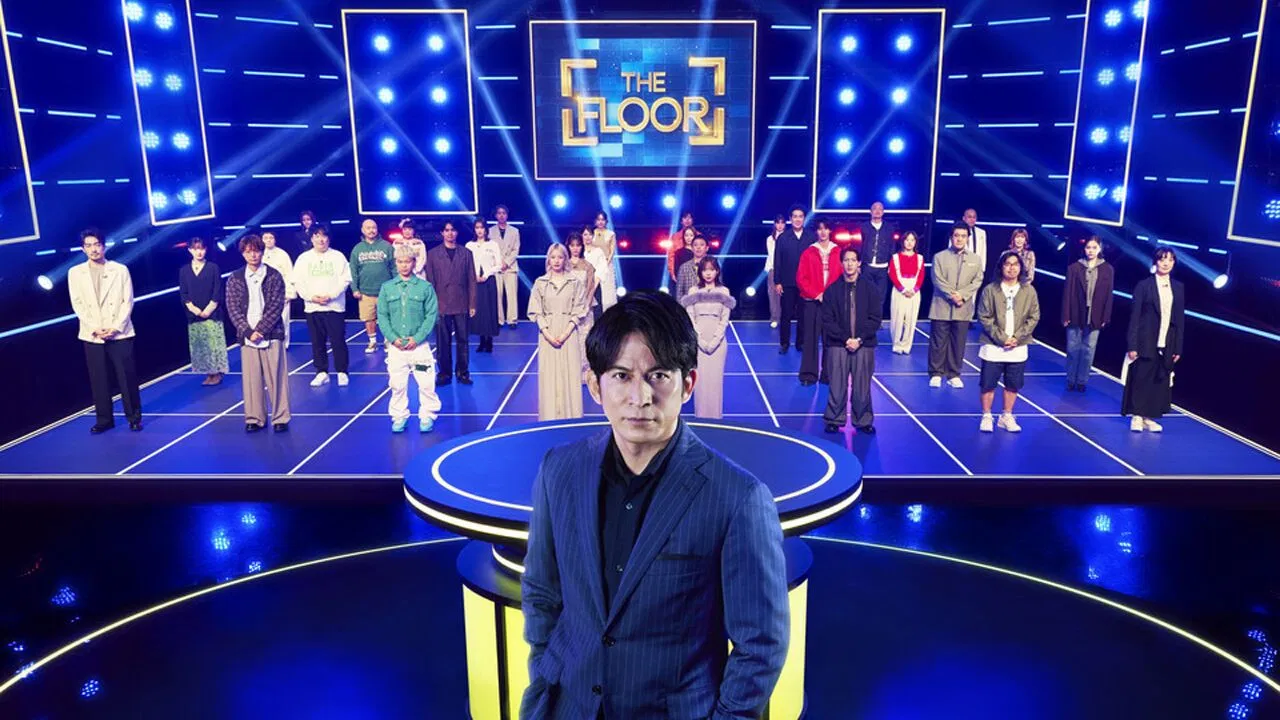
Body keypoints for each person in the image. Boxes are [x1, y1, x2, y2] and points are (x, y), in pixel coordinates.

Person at [521, 289, 789, 718]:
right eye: (621, 375)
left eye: (658, 375)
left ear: (688, 384)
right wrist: (543, 676)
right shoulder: (559, 470)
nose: (640, 396)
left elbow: (761, 645)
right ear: (594, 385)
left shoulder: (739, 499)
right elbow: (542, 592)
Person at [68, 228, 142, 433]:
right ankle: (104, 419)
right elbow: (77, 303)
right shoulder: (75, 273)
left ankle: (134, 417)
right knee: (99, 379)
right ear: (83, 249)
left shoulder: (120, 269)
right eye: (89, 245)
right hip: (92, 334)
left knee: (126, 377)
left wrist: (116, 327)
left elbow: (128, 301)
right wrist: (95, 328)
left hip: (120, 332)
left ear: (104, 246)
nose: (93, 249)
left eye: (97, 244)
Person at [225, 234, 291, 433]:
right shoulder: (235, 278)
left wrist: (261, 330)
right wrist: (247, 331)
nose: (253, 255)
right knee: (251, 379)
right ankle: (254, 418)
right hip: (247, 337)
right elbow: (232, 307)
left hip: (271, 333)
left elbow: (276, 306)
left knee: (277, 377)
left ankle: (280, 417)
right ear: (243, 254)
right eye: (248, 252)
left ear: (262, 252)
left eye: (256, 251)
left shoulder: (274, 275)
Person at [377, 248, 442, 433]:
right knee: (397, 385)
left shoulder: (425, 287)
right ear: (396, 263)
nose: (404, 265)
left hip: (419, 349)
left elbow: (431, 315)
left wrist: (418, 338)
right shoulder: (387, 288)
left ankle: (428, 415)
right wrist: (393, 339)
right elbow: (382, 316)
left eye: (407, 261)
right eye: (400, 262)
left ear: (414, 263)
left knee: (426, 383)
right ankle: (399, 417)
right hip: (396, 349)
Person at [976, 251, 1041, 433]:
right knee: (988, 384)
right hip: (993, 347)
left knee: (1013, 384)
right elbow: (984, 316)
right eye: (1008, 264)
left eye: (1016, 264)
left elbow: (1034, 316)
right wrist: (1002, 338)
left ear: (1021, 268)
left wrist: (1017, 337)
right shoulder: (990, 290)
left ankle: (1006, 416)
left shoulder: (1029, 291)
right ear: (1001, 267)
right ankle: (986, 416)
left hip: (1018, 348)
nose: (1012, 268)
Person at [1123, 248, 1185, 433]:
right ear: (1155, 262)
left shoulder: (1178, 287)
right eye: (1162, 259)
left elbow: (1179, 319)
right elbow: (1135, 317)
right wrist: (1132, 344)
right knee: (1141, 378)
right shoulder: (1144, 285)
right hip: (1146, 340)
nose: (1166, 263)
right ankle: (1137, 415)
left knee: (1159, 381)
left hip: (1167, 341)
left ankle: (1149, 417)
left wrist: (1178, 347)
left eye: (1170, 260)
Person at [822, 247, 881, 435]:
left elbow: (875, 318)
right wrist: (845, 339)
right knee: (837, 385)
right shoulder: (832, 290)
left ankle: (863, 420)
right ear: (842, 263)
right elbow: (827, 320)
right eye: (846, 260)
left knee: (862, 386)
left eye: (853, 260)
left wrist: (859, 339)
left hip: (864, 345)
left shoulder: (870, 289)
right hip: (838, 345)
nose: (849, 264)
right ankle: (834, 419)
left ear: (859, 263)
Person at [526, 243, 587, 420]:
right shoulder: (540, 283)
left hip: (569, 334)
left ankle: (572, 419)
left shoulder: (574, 282)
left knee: (570, 376)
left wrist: (565, 333)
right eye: (553, 257)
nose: (556, 261)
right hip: (548, 335)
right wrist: (548, 335)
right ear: (548, 260)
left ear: (565, 259)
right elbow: (536, 311)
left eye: (560, 257)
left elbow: (579, 310)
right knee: (549, 378)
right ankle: (549, 419)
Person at [292, 225, 351, 387]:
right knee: (317, 342)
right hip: (312, 308)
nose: (321, 239)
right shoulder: (303, 259)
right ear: (312, 239)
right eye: (317, 236)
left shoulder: (338, 256)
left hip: (335, 307)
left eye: (324, 236)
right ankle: (321, 372)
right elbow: (298, 282)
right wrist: (311, 297)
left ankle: (342, 372)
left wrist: (331, 295)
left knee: (338, 340)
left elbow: (345, 280)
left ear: (328, 238)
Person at [928, 223, 984, 389]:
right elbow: (937, 279)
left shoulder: (975, 259)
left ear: (967, 238)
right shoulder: (939, 257)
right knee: (938, 343)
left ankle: (954, 374)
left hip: (963, 308)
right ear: (951, 237)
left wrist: (962, 296)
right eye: (956, 235)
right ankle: (936, 373)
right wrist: (952, 295)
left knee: (958, 343)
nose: (959, 239)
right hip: (941, 306)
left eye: (963, 236)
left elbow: (977, 280)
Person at [681, 256, 735, 418]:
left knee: (715, 383)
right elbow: (691, 319)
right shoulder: (693, 291)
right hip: (698, 344)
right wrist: (701, 341)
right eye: (705, 270)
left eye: (711, 269)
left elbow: (724, 320)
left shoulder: (724, 292)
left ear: (717, 271)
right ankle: (701, 419)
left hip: (718, 344)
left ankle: (716, 419)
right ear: (700, 272)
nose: (708, 273)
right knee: (701, 383)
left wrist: (714, 341)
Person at [424, 220, 477, 386]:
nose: (450, 233)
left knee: (463, 341)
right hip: (441, 304)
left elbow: (471, 280)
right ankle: (444, 373)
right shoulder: (432, 254)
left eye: (453, 230)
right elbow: (430, 282)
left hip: (461, 303)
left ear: (457, 232)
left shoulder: (466, 253)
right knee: (442, 342)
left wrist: (472, 304)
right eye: (446, 230)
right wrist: (431, 306)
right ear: (442, 233)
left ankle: (463, 372)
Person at [1062, 236, 1114, 392]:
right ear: (1084, 249)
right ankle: (1071, 379)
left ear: (1100, 249)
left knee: (1088, 350)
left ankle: (1082, 380)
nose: (1091, 251)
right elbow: (1067, 293)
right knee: (1073, 349)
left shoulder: (1107, 269)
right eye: (1088, 247)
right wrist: (1066, 315)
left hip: (1095, 315)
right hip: (1076, 312)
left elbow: (1108, 295)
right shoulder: (1074, 268)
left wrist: (1106, 316)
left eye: (1094, 248)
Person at [795, 217, 842, 385]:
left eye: (826, 228)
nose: (823, 232)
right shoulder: (808, 252)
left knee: (831, 339)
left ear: (830, 231)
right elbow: (801, 278)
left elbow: (842, 276)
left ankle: (828, 374)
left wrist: (830, 296)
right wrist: (816, 294)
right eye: (820, 229)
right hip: (812, 302)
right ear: (816, 231)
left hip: (832, 304)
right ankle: (808, 375)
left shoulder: (838, 251)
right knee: (810, 340)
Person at [178, 236, 228, 386]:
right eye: (195, 249)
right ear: (190, 250)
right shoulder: (184, 270)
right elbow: (184, 293)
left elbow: (217, 291)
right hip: (194, 315)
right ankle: (209, 374)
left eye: (201, 249)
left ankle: (217, 373)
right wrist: (195, 310)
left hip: (212, 313)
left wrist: (208, 310)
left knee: (214, 344)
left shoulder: (213, 268)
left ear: (205, 249)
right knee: (201, 346)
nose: (199, 252)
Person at [349, 218, 395, 354]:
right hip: (365, 292)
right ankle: (372, 342)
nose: (371, 230)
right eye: (368, 228)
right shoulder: (357, 249)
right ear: (362, 230)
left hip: (385, 291)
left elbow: (394, 267)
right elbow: (353, 271)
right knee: (369, 318)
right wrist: (355, 289)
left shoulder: (387, 246)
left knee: (386, 318)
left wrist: (396, 286)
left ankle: (388, 341)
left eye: (373, 227)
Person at [774, 204, 813, 354]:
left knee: (803, 315)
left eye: (800, 216)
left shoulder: (811, 237)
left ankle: (800, 343)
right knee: (786, 315)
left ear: (804, 218)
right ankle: (784, 343)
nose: (797, 219)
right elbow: (777, 261)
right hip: (787, 282)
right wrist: (777, 282)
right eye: (795, 216)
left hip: (806, 283)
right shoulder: (783, 238)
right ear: (790, 219)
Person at [467, 217, 503, 353]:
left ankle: (489, 341)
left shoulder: (493, 244)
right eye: (477, 228)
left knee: (489, 310)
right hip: (474, 281)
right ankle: (481, 341)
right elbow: (467, 264)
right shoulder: (469, 245)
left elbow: (499, 264)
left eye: (481, 228)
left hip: (489, 280)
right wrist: (474, 276)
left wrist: (486, 275)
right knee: (479, 311)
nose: (479, 230)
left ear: (486, 229)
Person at [566, 230, 598, 379]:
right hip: (567, 308)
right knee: (570, 339)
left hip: (585, 307)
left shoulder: (588, 266)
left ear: (582, 247)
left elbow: (590, 288)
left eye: (578, 245)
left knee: (585, 339)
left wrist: (585, 307)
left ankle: (585, 372)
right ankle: (570, 372)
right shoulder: (564, 265)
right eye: (572, 245)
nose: (575, 248)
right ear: (568, 246)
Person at [888, 231, 926, 354]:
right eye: (907, 240)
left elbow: (921, 276)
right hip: (899, 289)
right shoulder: (895, 257)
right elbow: (892, 274)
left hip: (914, 290)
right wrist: (903, 289)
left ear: (915, 242)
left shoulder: (920, 258)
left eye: (912, 240)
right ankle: (896, 344)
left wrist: (914, 290)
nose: (909, 243)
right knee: (897, 318)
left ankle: (906, 345)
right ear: (903, 241)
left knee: (911, 319)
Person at [857, 201, 897, 310]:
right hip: (867, 266)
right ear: (870, 211)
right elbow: (859, 245)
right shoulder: (864, 227)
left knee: (880, 297)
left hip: (883, 267)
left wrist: (891, 265)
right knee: (865, 294)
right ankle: (865, 318)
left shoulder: (889, 228)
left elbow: (892, 246)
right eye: (875, 208)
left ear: (883, 212)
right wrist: (858, 263)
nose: (877, 211)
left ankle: (877, 318)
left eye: (880, 209)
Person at [260, 230, 296, 348]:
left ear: (275, 239)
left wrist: (290, 292)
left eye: (271, 238)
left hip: (281, 293)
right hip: (263, 293)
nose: (268, 240)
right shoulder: (259, 254)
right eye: (265, 238)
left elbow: (289, 274)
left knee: (283, 319)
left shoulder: (282, 254)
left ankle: (284, 344)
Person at [489, 205, 521, 327]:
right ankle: (499, 320)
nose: (501, 215)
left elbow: (516, 250)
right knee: (497, 295)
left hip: (510, 267)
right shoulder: (490, 231)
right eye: (499, 213)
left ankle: (512, 320)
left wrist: (506, 262)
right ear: (496, 215)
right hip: (496, 267)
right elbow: (489, 250)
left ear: (507, 215)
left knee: (512, 295)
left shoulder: (514, 231)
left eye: (504, 213)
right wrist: (498, 263)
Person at [593, 211, 619, 309]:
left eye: (602, 220)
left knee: (608, 293)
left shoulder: (611, 234)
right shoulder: (591, 233)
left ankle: (609, 313)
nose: (600, 222)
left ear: (606, 221)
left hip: (607, 265)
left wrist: (605, 264)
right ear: (595, 221)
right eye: (598, 219)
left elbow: (612, 251)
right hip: (593, 264)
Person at [674, 230, 709, 301]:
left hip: (709, 304)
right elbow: (679, 292)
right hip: (689, 305)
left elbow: (719, 288)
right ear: (692, 248)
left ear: (707, 248)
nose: (698, 247)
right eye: (695, 245)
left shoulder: (714, 266)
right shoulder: (684, 268)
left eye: (702, 245)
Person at [764, 214, 785, 328]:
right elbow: (772, 255)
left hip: (786, 270)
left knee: (784, 295)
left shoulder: (788, 237)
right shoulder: (770, 239)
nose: (780, 225)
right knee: (773, 294)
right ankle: (775, 317)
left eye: (782, 223)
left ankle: (784, 317)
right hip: (773, 268)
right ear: (775, 224)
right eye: (778, 223)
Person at [666, 210, 696, 282]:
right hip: (680, 272)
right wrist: (672, 273)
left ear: (692, 220)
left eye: (689, 217)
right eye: (685, 217)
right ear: (681, 221)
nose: (687, 220)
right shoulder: (675, 237)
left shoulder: (699, 236)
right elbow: (671, 256)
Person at [962, 208, 988, 279]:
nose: (972, 219)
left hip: (975, 269)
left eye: (974, 217)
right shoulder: (957, 232)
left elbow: (983, 252)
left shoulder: (981, 233)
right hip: (961, 268)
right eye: (969, 217)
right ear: (964, 218)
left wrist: (982, 270)